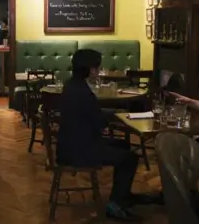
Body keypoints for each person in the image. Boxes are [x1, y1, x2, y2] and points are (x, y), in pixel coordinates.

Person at [57, 49, 148, 221]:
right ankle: (115, 205)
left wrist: (114, 113)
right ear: (91, 69)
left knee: (123, 146)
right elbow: (97, 121)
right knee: (130, 159)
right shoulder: (82, 92)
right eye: (97, 67)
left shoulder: (73, 85)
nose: (99, 70)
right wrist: (118, 115)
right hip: (79, 150)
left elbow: (92, 114)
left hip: (70, 143)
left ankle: (122, 196)